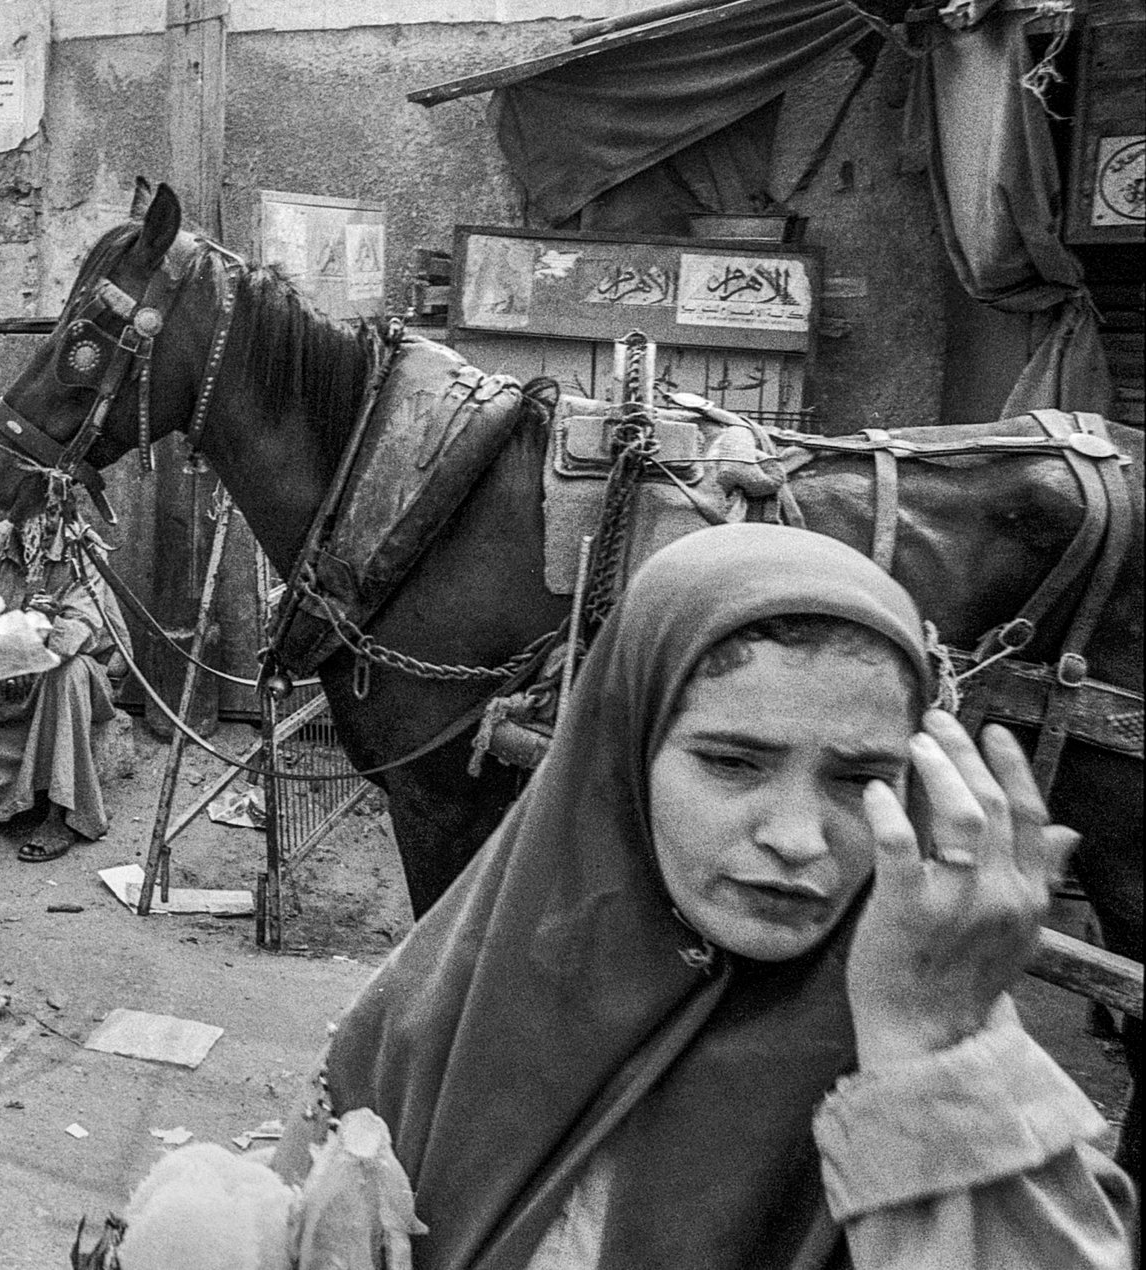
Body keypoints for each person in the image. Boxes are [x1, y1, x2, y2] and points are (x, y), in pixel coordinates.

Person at [303, 524, 1134, 1270]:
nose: (800, 838)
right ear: (622, 757)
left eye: (859, 777)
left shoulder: (952, 1049)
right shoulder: (445, 1002)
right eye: (733, 763)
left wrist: (926, 1053)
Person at [0, 520, 127, 862]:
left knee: (68, 673)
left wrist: (35, 637)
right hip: (11, 675)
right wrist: (12, 654)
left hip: (84, 672)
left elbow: (80, 630)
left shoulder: (84, 547)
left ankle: (61, 815)